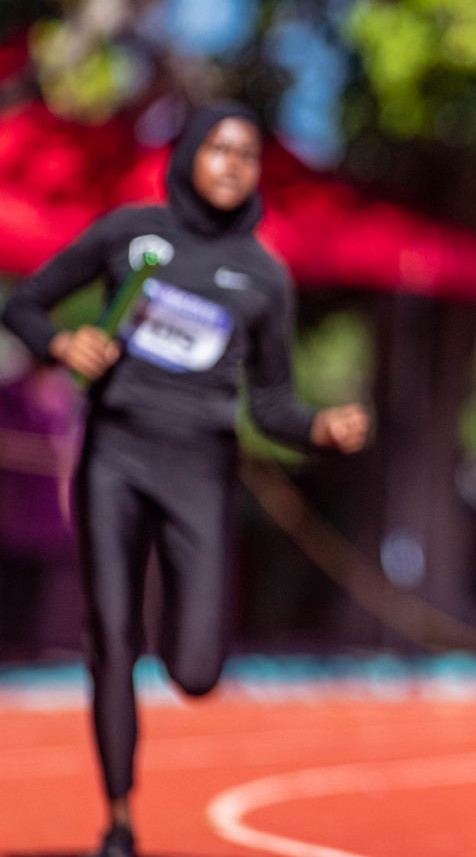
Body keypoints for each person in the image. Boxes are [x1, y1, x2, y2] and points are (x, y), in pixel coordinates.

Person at [1, 102, 370, 857]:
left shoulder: (265, 278)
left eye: (247, 154)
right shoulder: (131, 234)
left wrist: (319, 429)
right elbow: (24, 305)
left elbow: (269, 406)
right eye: (220, 149)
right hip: (115, 454)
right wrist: (64, 342)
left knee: (197, 671)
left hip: (200, 467)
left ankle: (183, 653)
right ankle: (121, 819)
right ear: (190, 155)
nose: (234, 164)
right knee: (110, 635)